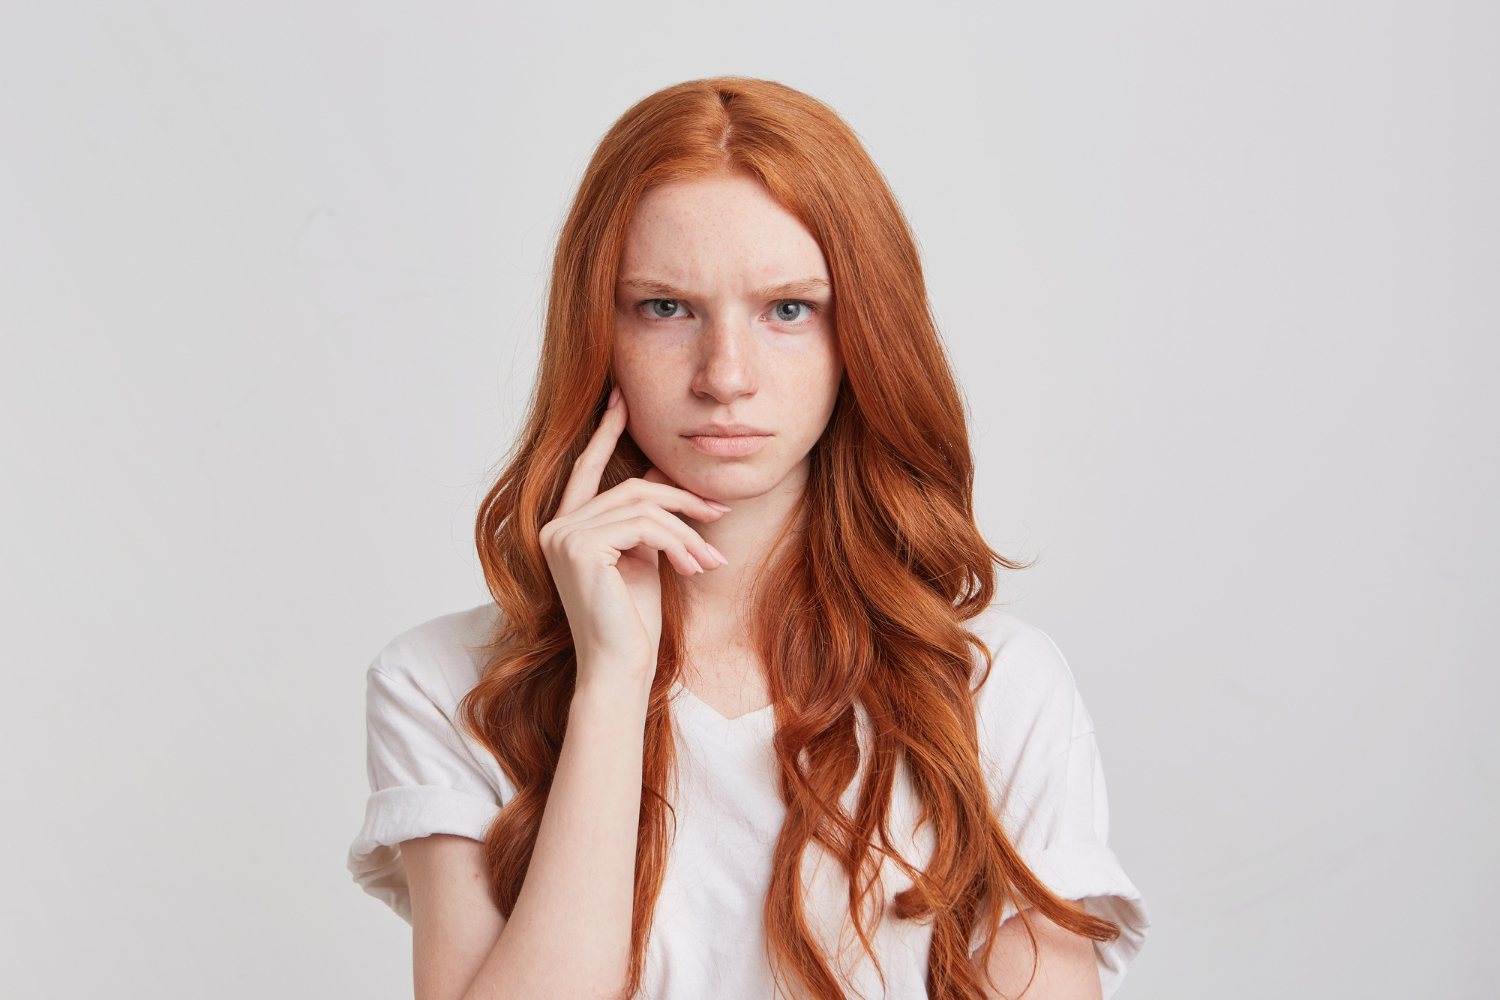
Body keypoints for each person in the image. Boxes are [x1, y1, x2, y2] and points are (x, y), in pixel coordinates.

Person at [347, 77, 1148, 1000]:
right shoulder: (444, 684)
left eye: (788, 310)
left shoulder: (996, 689)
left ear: (862, 337)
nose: (726, 376)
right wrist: (611, 685)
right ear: (593, 331)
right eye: (664, 307)